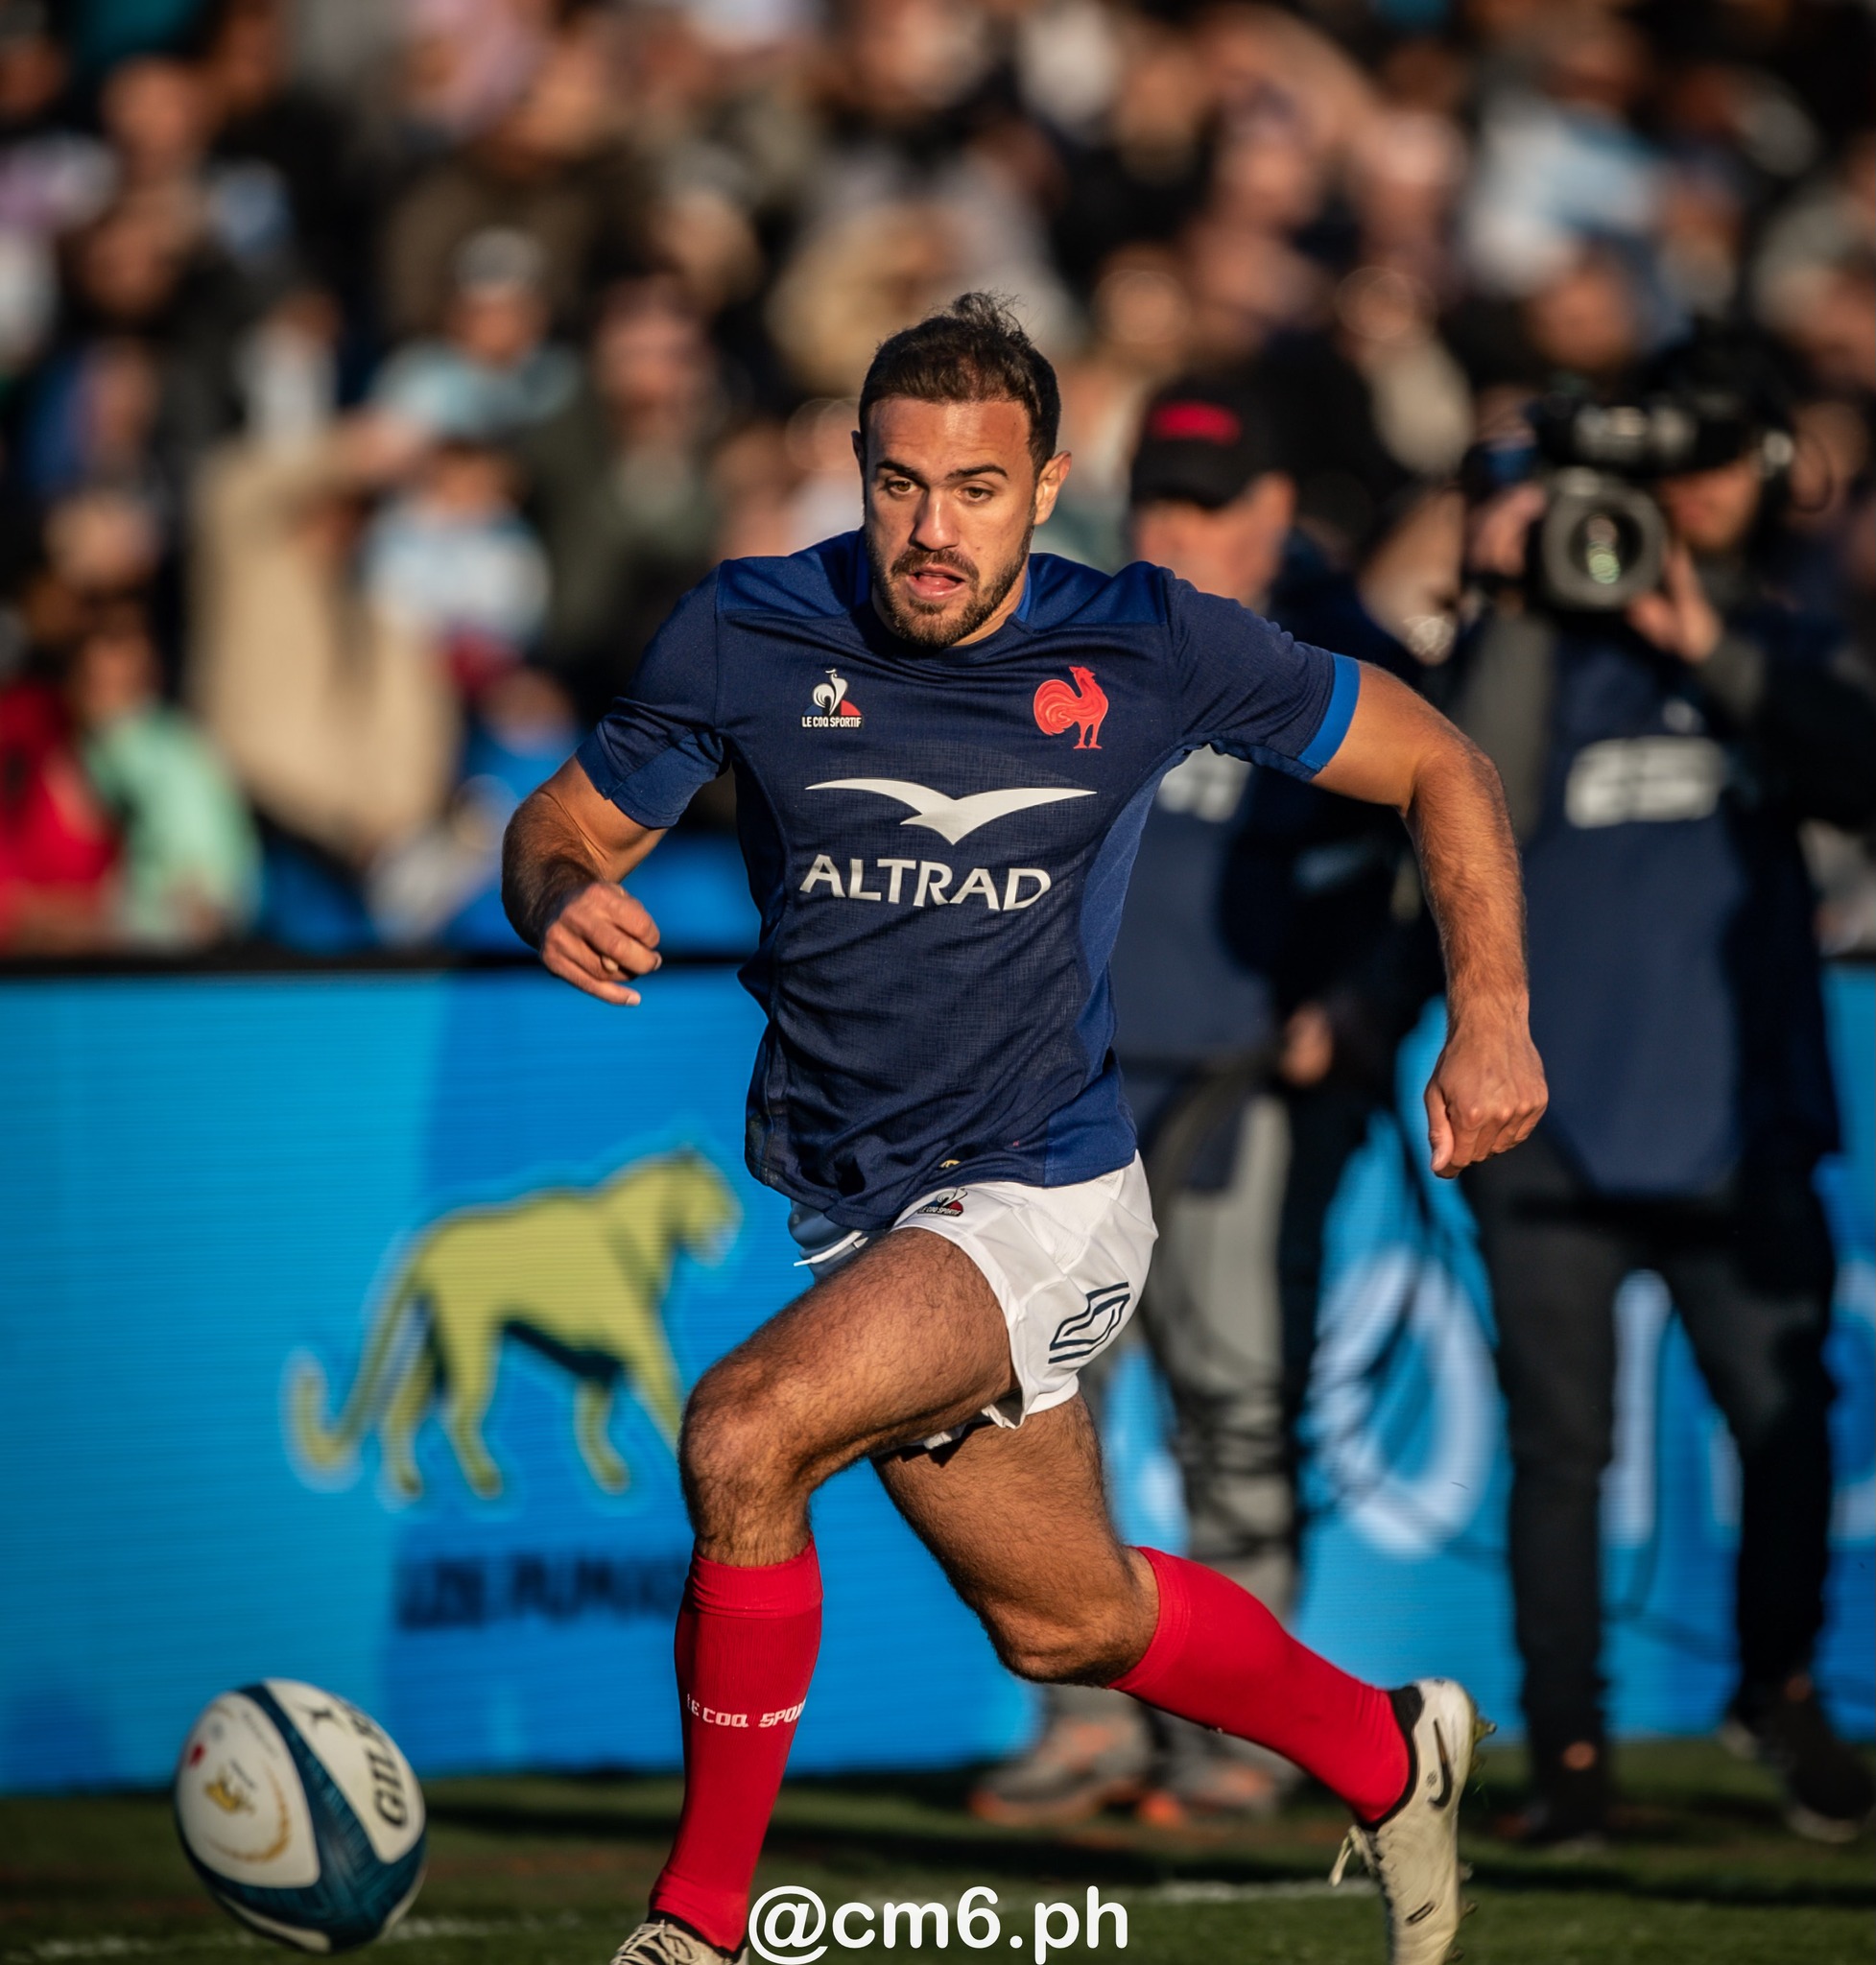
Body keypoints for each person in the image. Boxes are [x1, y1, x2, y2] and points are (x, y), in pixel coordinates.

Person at [502, 294, 1548, 1965]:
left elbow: (1445, 767)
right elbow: (562, 822)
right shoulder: (746, 628)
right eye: (899, 483)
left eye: (976, 489)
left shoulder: (1151, 641)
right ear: (855, 469)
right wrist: (553, 890)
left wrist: (1487, 1012)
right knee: (1066, 1625)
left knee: (744, 1431)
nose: (932, 528)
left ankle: (696, 1926)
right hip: (858, 1206)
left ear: (1049, 486)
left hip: (1039, 1189)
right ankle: (1388, 1748)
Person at [969, 371, 1440, 1829]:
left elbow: (1435, 872)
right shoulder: (1075, 636)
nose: (1179, 529)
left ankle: (1235, 1741)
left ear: (1277, 512)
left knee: (1235, 1413)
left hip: (1245, 1099)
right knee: (1039, 1412)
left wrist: (1364, 1003)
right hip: (1058, 1101)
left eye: (1211, 506)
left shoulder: (1344, 658)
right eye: (1162, 500)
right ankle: (1084, 1729)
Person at [1452, 329, 1876, 1846]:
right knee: (1562, 1453)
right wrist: (1505, 588)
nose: (1679, 501)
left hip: (1739, 1129)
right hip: (1552, 1128)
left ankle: (1778, 1690)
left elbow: (1859, 767)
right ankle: (1567, 1758)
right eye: (1658, 470)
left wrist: (1713, 647)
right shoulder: (1538, 645)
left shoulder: (1793, 639)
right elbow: (1466, 790)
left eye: (1711, 465)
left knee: (1785, 1422)